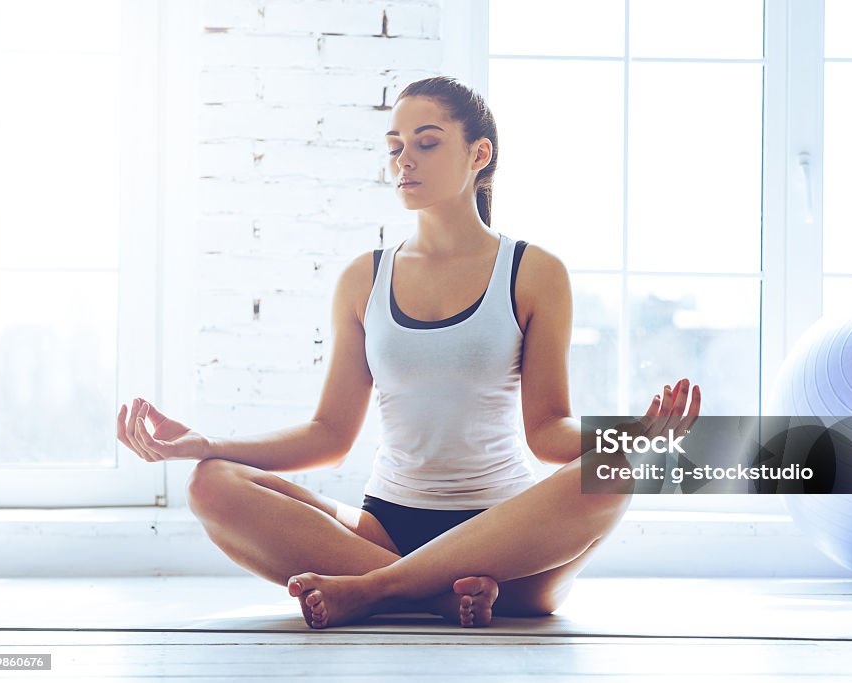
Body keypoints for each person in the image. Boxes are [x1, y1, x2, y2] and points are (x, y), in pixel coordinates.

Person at [116, 76, 701, 630]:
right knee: (210, 483)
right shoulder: (364, 279)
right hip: (384, 530)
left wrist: (636, 434)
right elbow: (329, 434)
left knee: (620, 470)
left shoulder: (532, 272)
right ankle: (443, 595)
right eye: (396, 146)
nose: (404, 160)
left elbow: (547, 434)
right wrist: (206, 444)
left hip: (509, 540)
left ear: (479, 156)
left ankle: (375, 591)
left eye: (426, 143)